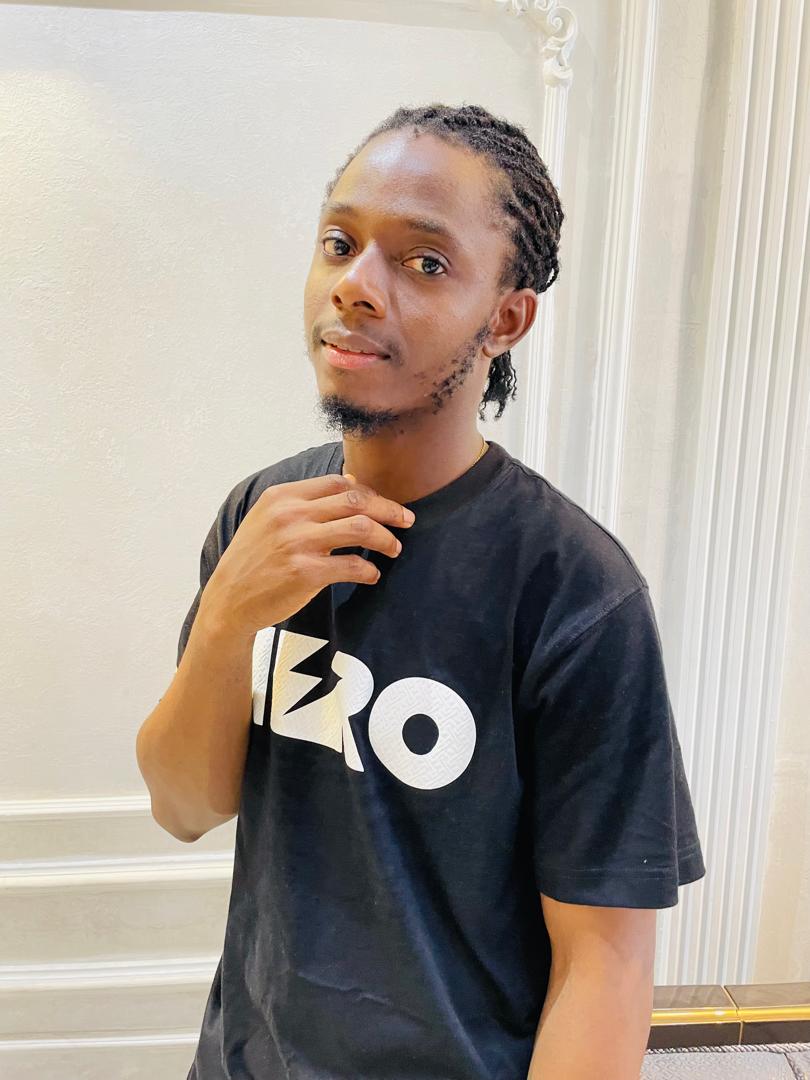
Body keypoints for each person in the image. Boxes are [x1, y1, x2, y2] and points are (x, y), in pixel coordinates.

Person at [136, 102, 706, 1080]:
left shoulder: (576, 595)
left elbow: (604, 972)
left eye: (424, 262)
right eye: (339, 243)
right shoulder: (261, 518)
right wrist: (229, 615)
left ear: (506, 319)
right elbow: (183, 805)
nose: (356, 286)